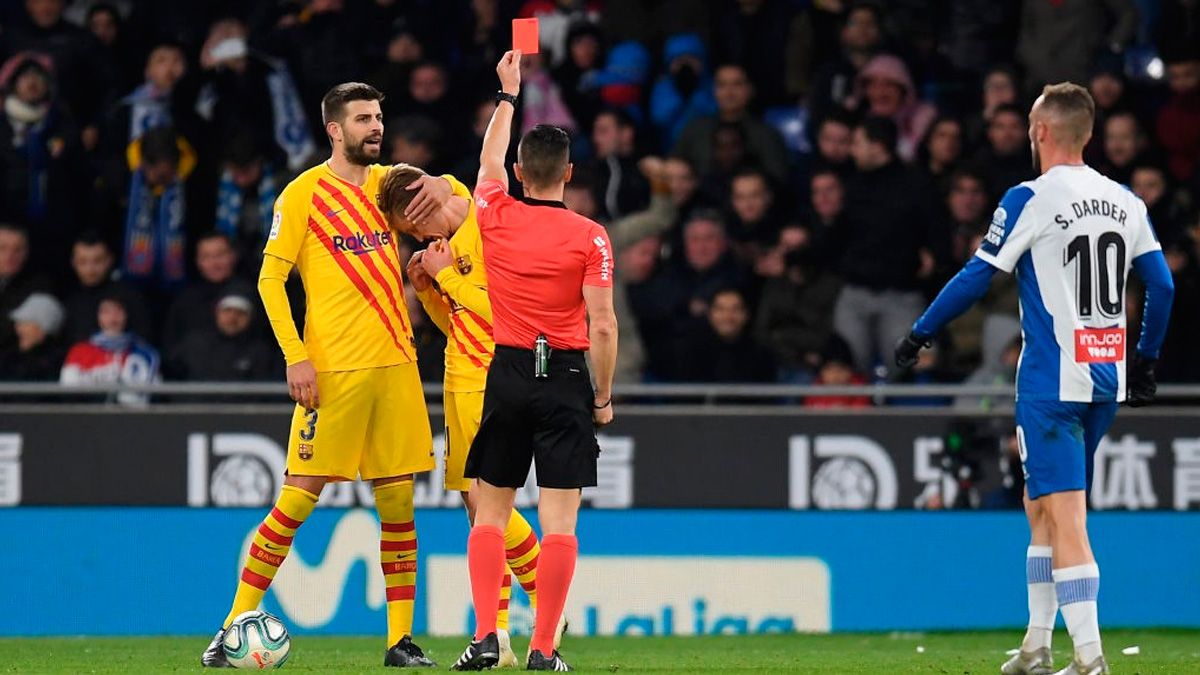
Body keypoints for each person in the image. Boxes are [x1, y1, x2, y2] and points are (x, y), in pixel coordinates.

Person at [895, 83, 1175, 675]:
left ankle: (1092, 659)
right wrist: (1144, 359)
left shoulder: (1030, 197)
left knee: (1065, 511)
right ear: (1089, 134)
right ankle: (1036, 645)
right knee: (1040, 503)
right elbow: (1163, 286)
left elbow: (977, 276)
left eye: (1030, 125)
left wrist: (920, 333)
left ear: (1041, 132)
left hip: (1050, 382)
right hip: (1105, 376)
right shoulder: (1124, 200)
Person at [201, 83, 440, 669]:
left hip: (397, 367)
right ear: (334, 129)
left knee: (399, 508)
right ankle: (232, 626)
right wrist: (295, 355)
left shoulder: (390, 187)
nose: (374, 127)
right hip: (333, 372)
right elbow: (268, 280)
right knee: (297, 500)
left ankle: (399, 641)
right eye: (363, 119)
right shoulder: (303, 193)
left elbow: (450, 208)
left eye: (379, 117)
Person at [451, 50, 617, 672]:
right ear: (569, 173)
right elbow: (603, 324)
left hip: (511, 370)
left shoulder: (494, 212)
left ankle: (486, 638)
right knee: (560, 523)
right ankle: (543, 649)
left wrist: (509, 94)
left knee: (490, 513)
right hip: (568, 374)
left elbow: (486, 159)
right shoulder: (590, 236)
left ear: (521, 172)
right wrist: (601, 397)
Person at [376, 163, 555, 668]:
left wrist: (446, 276)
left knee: (487, 502)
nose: (416, 238)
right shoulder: (449, 239)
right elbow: (457, 321)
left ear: (421, 204)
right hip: (460, 375)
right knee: (477, 511)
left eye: (411, 228)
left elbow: (503, 313)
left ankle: (545, 604)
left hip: (493, 379)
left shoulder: (490, 225)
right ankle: (496, 635)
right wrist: (431, 291)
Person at [60, 294, 160, 407]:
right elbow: (68, 389)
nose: (113, 318)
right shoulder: (79, 351)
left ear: (127, 315)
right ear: (97, 316)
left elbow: (152, 394)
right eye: (106, 312)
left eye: (118, 311)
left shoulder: (144, 353)